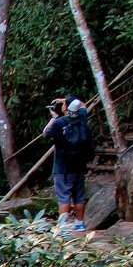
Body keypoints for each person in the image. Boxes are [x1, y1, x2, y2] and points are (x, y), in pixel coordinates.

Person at [44, 96, 95, 224]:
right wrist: (66, 100)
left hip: (62, 167)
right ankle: (80, 224)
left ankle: (62, 227)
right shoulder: (82, 119)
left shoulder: (59, 122)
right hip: (79, 166)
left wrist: (54, 117)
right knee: (79, 197)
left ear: (65, 108)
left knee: (64, 197)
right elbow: (82, 105)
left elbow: (45, 133)